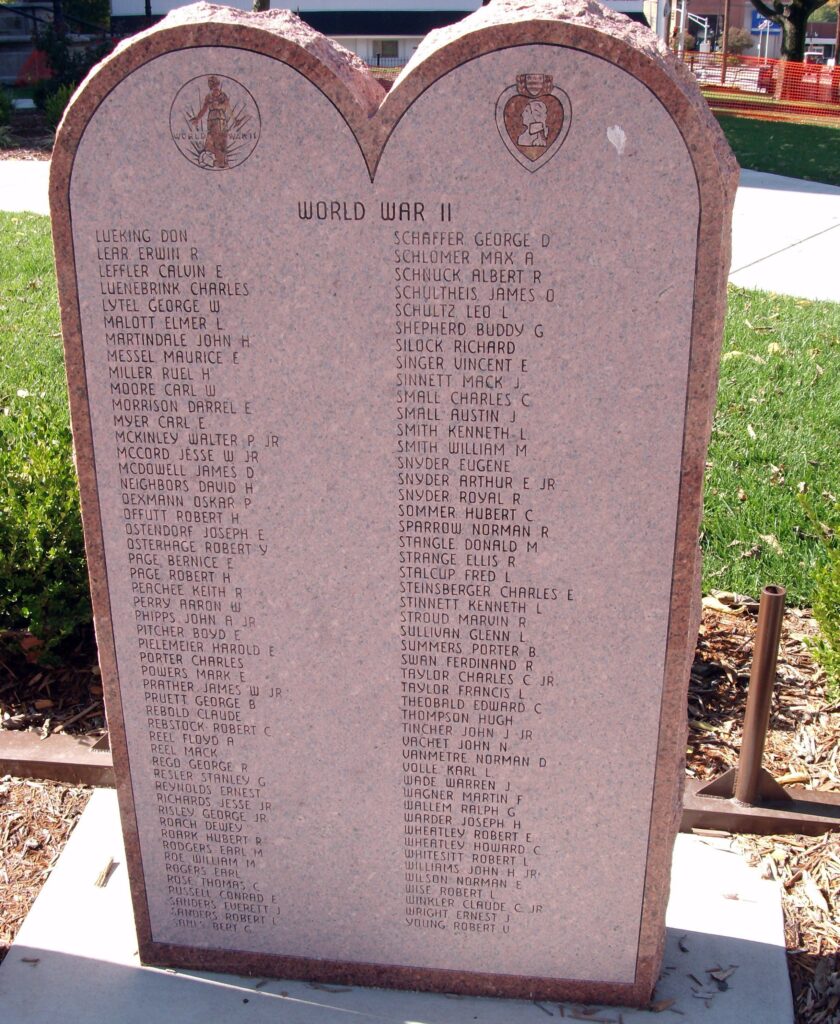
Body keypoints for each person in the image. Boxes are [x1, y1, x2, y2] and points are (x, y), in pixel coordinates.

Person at [191, 76, 232, 168]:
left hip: (220, 120)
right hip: (211, 121)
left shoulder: (223, 96)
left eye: (215, 84)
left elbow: (227, 107)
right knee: (209, 144)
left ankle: (221, 162)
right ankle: (219, 161)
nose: (214, 86)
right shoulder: (208, 97)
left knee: (219, 142)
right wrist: (197, 118)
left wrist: (218, 106)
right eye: (211, 85)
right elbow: (204, 109)